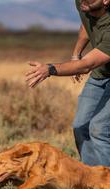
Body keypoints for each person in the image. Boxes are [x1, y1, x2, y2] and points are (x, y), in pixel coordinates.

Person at [25, 0, 110, 166]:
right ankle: (92, 180)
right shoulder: (86, 4)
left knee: (99, 129)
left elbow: (87, 65)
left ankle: (107, 183)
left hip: (98, 68)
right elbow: (87, 23)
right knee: (80, 127)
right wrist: (76, 53)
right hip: (101, 74)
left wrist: (50, 69)